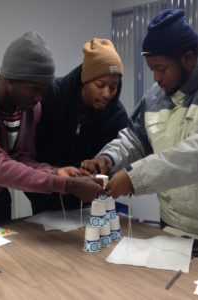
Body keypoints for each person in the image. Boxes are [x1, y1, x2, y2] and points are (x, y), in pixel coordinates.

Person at [81, 8, 198, 235]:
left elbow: (192, 154)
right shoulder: (154, 97)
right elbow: (135, 139)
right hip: (172, 226)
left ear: (188, 59)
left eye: (161, 69)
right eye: (152, 69)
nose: (155, 78)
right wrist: (108, 159)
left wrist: (136, 177)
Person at [0, 30, 103, 226]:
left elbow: (22, 158)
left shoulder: (30, 108)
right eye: (34, 89)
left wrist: (54, 172)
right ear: (10, 77)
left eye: (43, 91)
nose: (39, 98)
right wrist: (66, 185)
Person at [26, 38, 128, 214]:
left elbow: (118, 162)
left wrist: (96, 171)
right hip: (45, 201)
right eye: (100, 85)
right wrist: (58, 176)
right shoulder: (49, 98)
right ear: (85, 79)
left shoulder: (116, 115)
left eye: (113, 87)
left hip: (89, 207)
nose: (107, 94)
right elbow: (28, 155)